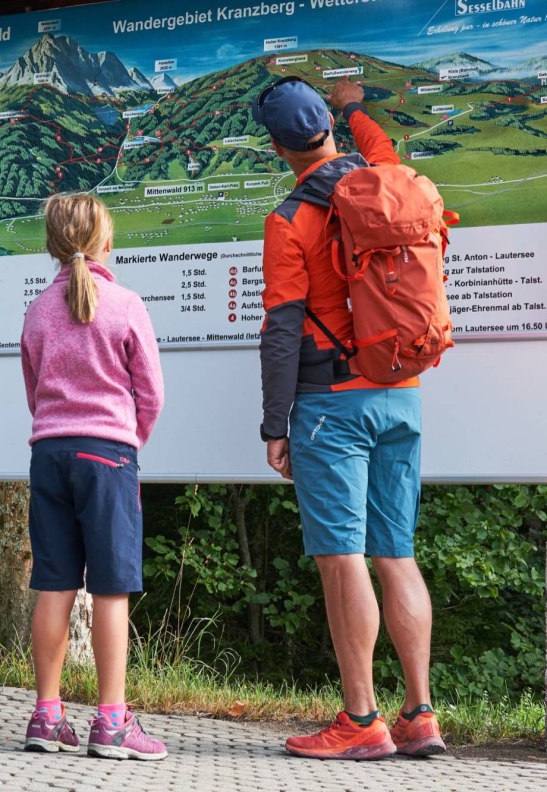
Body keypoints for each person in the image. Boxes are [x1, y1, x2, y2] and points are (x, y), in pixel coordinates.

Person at [252, 76, 446, 760]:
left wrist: (275, 425)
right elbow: (378, 143)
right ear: (328, 134)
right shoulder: (386, 177)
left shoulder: (290, 219)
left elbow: (281, 328)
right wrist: (354, 106)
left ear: (277, 148)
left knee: (342, 558)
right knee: (396, 552)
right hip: (403, 387)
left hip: (331, 406)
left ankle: (361, 718)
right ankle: (420, 713)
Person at [20, 192, 167, 761]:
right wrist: (130, 442)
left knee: (54, 581)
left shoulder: (36, 309)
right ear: (107, 242)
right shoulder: (126, 303)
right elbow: (149, 393)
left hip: (49, 453)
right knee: (110, 585)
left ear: (53, 246)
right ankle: (111, 722)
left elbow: (34, 390)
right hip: (108, 454)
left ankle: (47, 715)